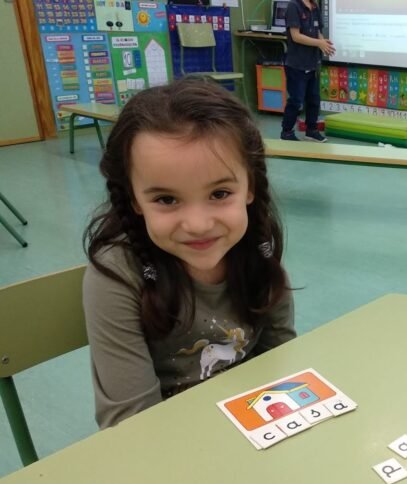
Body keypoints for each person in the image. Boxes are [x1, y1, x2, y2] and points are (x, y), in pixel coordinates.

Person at [83, 78, 296, 428]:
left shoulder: (256, 244)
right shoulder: (116, 275)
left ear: (250, 187)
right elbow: (133, 426)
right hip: (167, 452)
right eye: (166, 199)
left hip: (256, 430)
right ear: (135, 200)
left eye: (219, 193)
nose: (197, 224)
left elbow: (282, 360)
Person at [280, 0, 335, 142]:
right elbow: (296, 36)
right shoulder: (294, 6)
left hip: (313, 63)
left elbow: (317, 31)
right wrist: (319, 43)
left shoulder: (315, 6)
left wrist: (324, 44)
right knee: (296, 100)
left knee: (314, 99)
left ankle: (311, 130)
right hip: (297, 64)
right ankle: (286, 132)